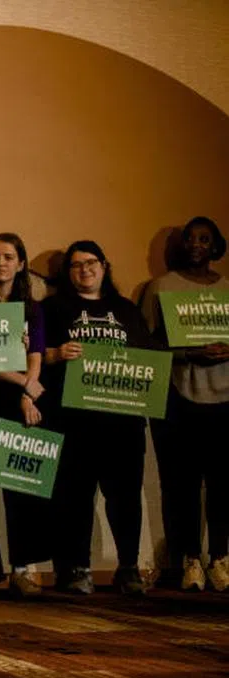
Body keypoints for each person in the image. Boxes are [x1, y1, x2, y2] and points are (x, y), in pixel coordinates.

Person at [43, 240, 153, 596]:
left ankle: (128, 566)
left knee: (125, 498)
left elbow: (147, 358)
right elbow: (29, 352)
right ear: (67, 272)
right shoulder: (53, 308)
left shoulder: (127, 309)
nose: (84, 270)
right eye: (75, 265)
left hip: (123, 424)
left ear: (104, 267)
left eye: (90, 263)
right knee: (73, 498)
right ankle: (76, 568)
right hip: (73, 422)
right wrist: (57, 353)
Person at [141, 216, 229, 591]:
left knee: (223, 484)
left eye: (204, 239)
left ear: (215, 246)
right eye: (190, 238)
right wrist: (187, 353)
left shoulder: (228, 289)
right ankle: (191, 558)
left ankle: (220, 558)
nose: (196, 244)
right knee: (183, 484)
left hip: (225, 397)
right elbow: (146, 344)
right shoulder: (162, 286)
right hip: (179, 397)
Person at [0, 233, 50, 597]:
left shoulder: (32, 308)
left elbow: (35, 355)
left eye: (7, 257)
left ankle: (23, 569)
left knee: (23, 488)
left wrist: (27, 395)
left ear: (20, 263)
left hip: (20, 407)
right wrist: (24, 385)